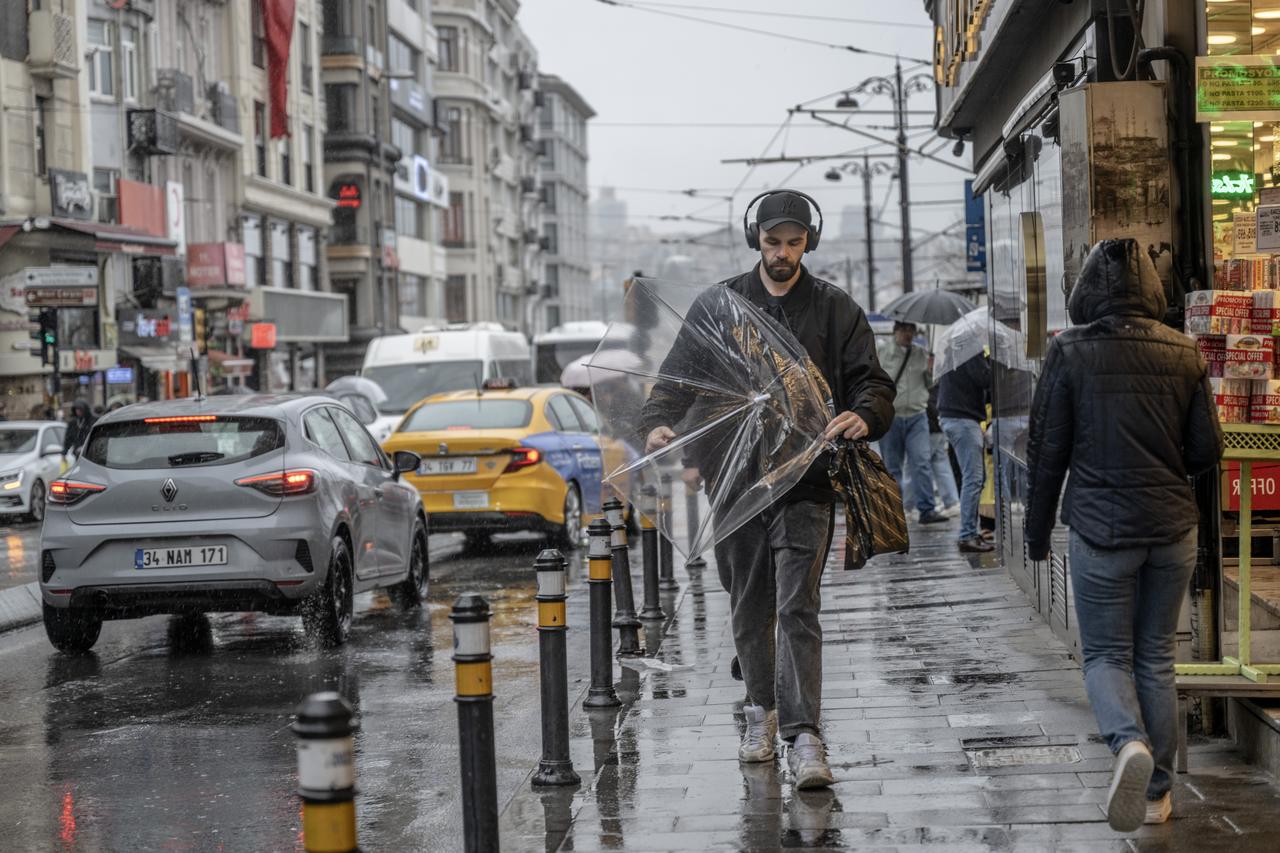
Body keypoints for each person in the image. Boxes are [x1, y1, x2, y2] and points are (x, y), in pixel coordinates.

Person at [639, 189, 895, 789]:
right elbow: (676, 380)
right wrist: (657, 422)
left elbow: (872, 383)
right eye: (773, 241)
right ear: (755, 237)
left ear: (810, 241)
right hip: (736, 481)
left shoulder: (835, 309)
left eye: (794, 242)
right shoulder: (719, 306)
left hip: (807, 481)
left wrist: (866, 414)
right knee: (750, 607)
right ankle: (761, 712)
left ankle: (805, 736)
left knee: (797, 606)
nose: (782, 253)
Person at [1025, 239, 1222, 832]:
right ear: (1154, 293)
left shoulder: (1069, 353)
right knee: (1157, 657)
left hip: (1101, 530)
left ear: (1086, 291)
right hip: (1172, 529)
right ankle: (1159, 793)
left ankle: (1127, 743)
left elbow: (1046, 451)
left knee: (1107, 653)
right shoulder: (1185, 352)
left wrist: (1035, 535)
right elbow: (1207, 450)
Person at [877, 322, 947, 525]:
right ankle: (895, 511)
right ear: (895, 332)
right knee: (892, 467)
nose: (908, 335)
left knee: (921, 462)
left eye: (911, 331)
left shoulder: (921, 354)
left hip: (917, 415)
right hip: (892, 416)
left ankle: (927, 509)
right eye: (904, 330)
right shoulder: (883, 352)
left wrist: (931, 371)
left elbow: (930, 384)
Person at [938, 352, 993, 553]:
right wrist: (993, 364)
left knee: (977, 477)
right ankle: (967, 535)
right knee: (974, 478)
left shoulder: (956, 349)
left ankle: (970, 531)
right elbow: (985, 379)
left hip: (957, 417)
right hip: (962, 419)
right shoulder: (971, 349)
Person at [925, 380, 960, 518]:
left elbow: (930, 404)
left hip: (931, 427)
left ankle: (909, 505)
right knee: (940, 462)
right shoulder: (940, 381)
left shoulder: (931, 382)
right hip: (937, 426)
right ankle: (951, 501)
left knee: (917, 466)